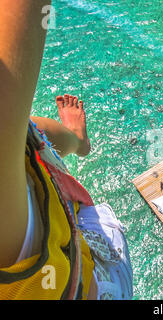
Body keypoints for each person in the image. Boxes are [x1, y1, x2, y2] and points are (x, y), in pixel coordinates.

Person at [0, 0, 132, 299]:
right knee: (20, 132)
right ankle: (77, 141)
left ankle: (76, 140)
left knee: (27, 133)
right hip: (95, 283)